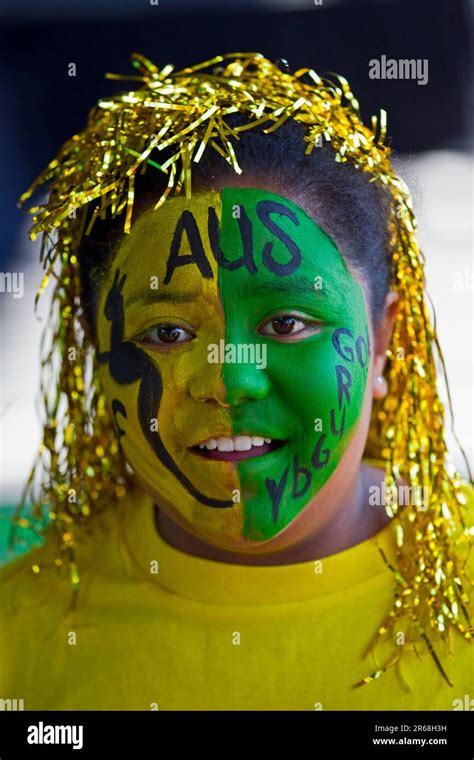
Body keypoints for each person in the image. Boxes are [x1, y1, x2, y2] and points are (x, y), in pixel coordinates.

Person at [0, 52, 472, 710]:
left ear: (386, 342)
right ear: (93, 352)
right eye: (167, 333)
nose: (229, 383)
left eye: (286, 322)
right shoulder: (19, 642)